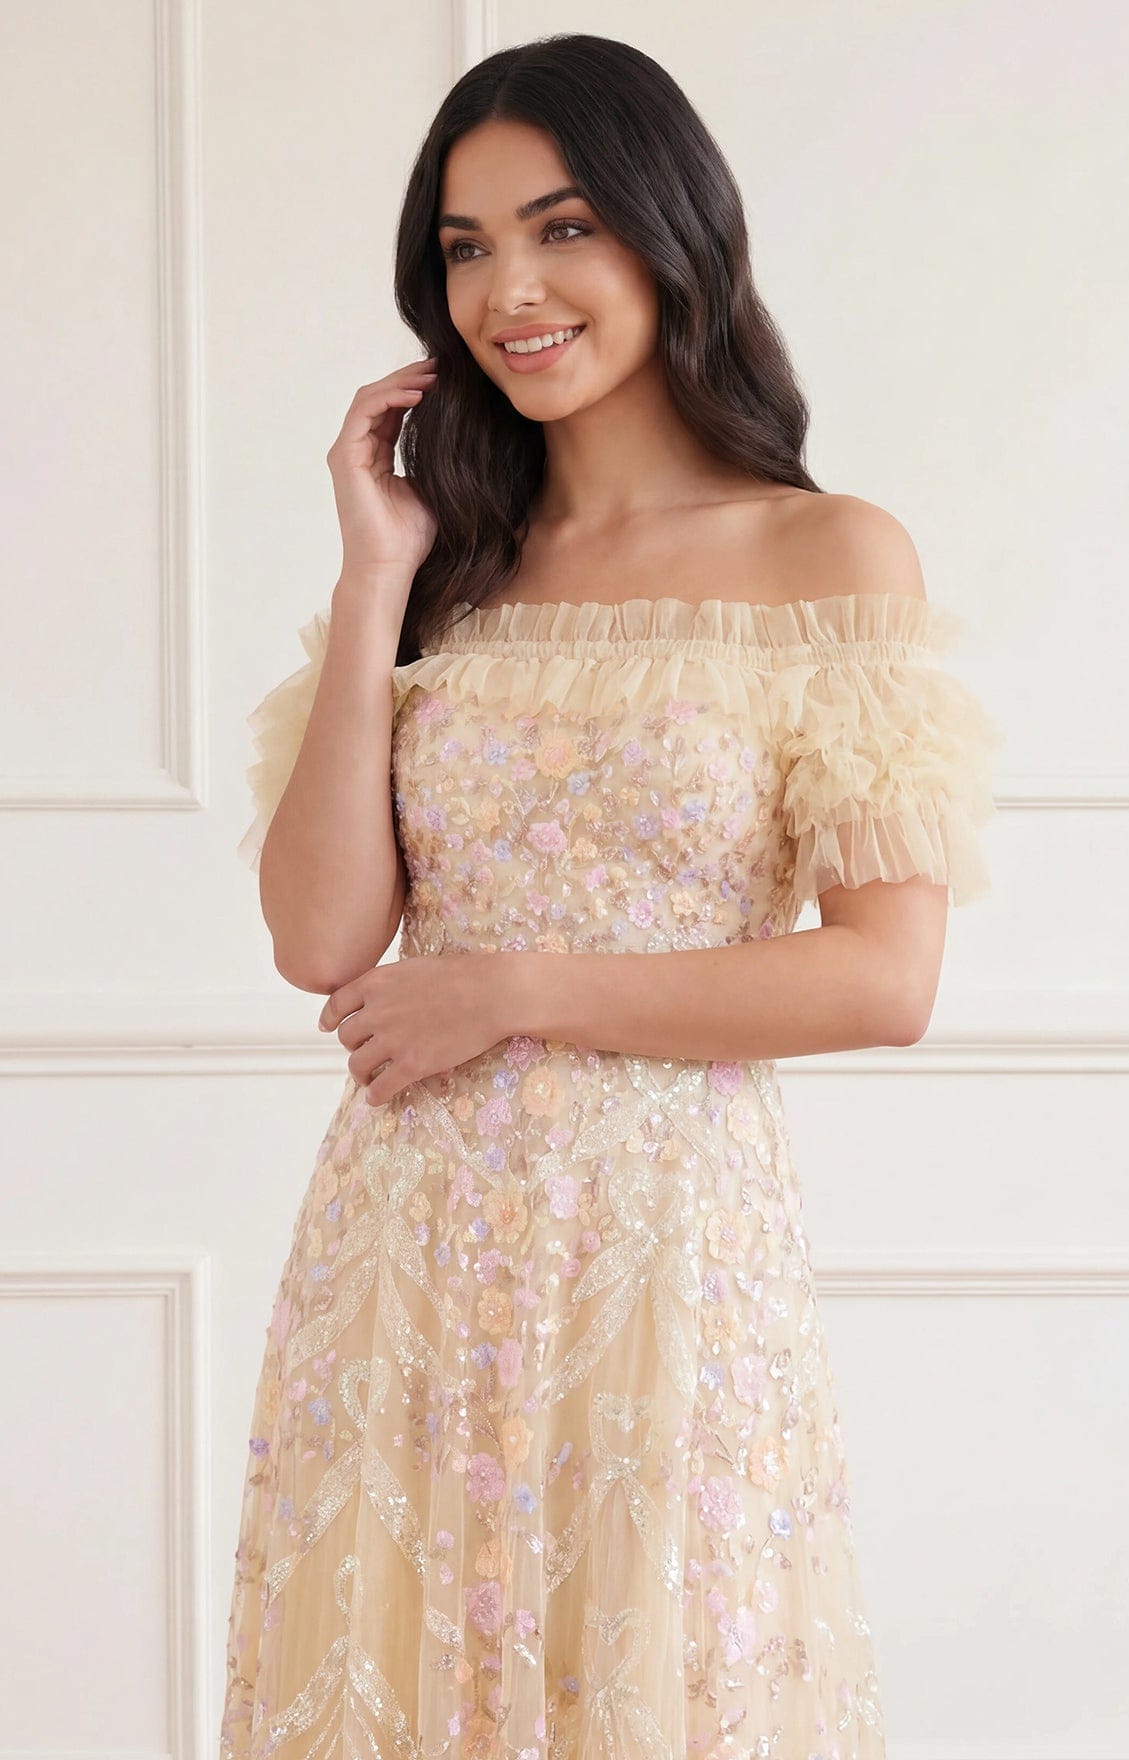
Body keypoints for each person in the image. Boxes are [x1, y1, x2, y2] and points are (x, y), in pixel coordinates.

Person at [220, 32, 1003, 1760]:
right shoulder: (448, 570)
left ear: (670, 233)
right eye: (466, 246)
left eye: (561, 227)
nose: (510, 289)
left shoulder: (824, 556)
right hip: (405, 1255)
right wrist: (375, 575)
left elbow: (884, 979)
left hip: (669, 1265)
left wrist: (510, 988)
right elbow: (319, 939)